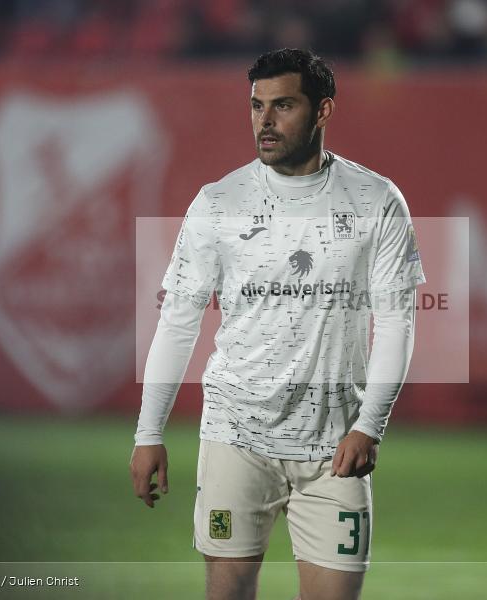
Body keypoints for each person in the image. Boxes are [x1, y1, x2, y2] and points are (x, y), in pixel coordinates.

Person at [130, 48, 425, 600]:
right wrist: (149, 434)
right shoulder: (218, 202)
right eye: (256, 106)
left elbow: (396, 321)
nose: (264, 122)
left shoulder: (376, 201)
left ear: (323, 111)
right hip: (236, 436)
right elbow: (177, 322)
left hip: (335, 446)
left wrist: (369, 425)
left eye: (283, 105)